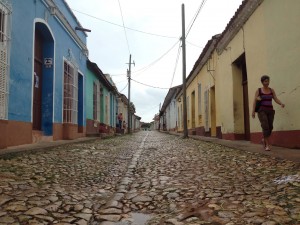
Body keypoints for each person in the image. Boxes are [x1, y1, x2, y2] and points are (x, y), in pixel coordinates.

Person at [251, 75, 285, 151]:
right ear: (262, 82)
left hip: (270, 110)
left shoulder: (271, 90)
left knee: (270, 127)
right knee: (265, 127)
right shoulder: (259, 90)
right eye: (265, 81)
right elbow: (254, 101)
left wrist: (281, 103)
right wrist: (253, 111)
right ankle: (267, 145)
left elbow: (275, 99)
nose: (267, 82)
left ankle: (264, 139)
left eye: (268, 81)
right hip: (262, 110)